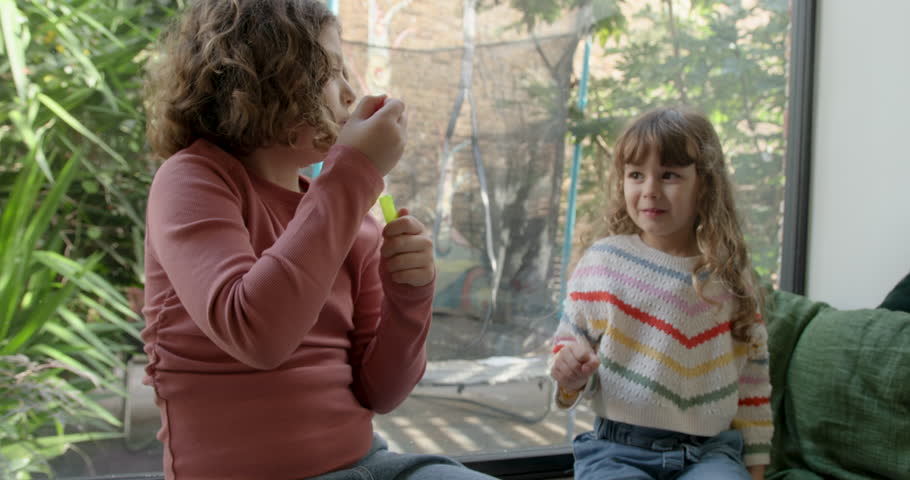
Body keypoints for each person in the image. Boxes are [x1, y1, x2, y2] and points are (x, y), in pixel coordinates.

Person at [141, 1, 495, 479]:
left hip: (370, 464)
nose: (352, 93)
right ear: (261, 80)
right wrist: (353, 175)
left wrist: (410, 298)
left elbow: (382, 393)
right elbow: (257, 334)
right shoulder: (191, 182)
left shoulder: (347, 215)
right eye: (329, 71)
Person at [549, 107, 773, 479]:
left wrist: (756, 467)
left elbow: (753, 379)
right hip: (618, 450)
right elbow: (567, 350)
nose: (650, 190)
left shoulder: (731, 276)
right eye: (636, 175)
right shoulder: (604, 262)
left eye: (669, 175)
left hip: (710, 453)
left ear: (705, 184)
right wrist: (570, 376)